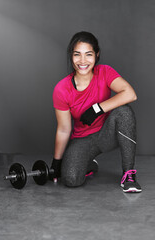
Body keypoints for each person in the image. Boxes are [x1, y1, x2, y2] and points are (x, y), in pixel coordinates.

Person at [50, 31, 142, 193]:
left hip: (108, 134)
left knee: (123, 112)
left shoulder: (105, 72)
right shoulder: (61, 89)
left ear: (97, 55)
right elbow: (64, 129)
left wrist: (97, 109)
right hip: (84, 140)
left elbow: (130, 94)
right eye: (77, 54)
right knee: (70, 179)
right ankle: (88, 163)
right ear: (71, 56)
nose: (83, 61)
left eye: (88, 54)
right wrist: (56, 163)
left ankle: (128, 174)